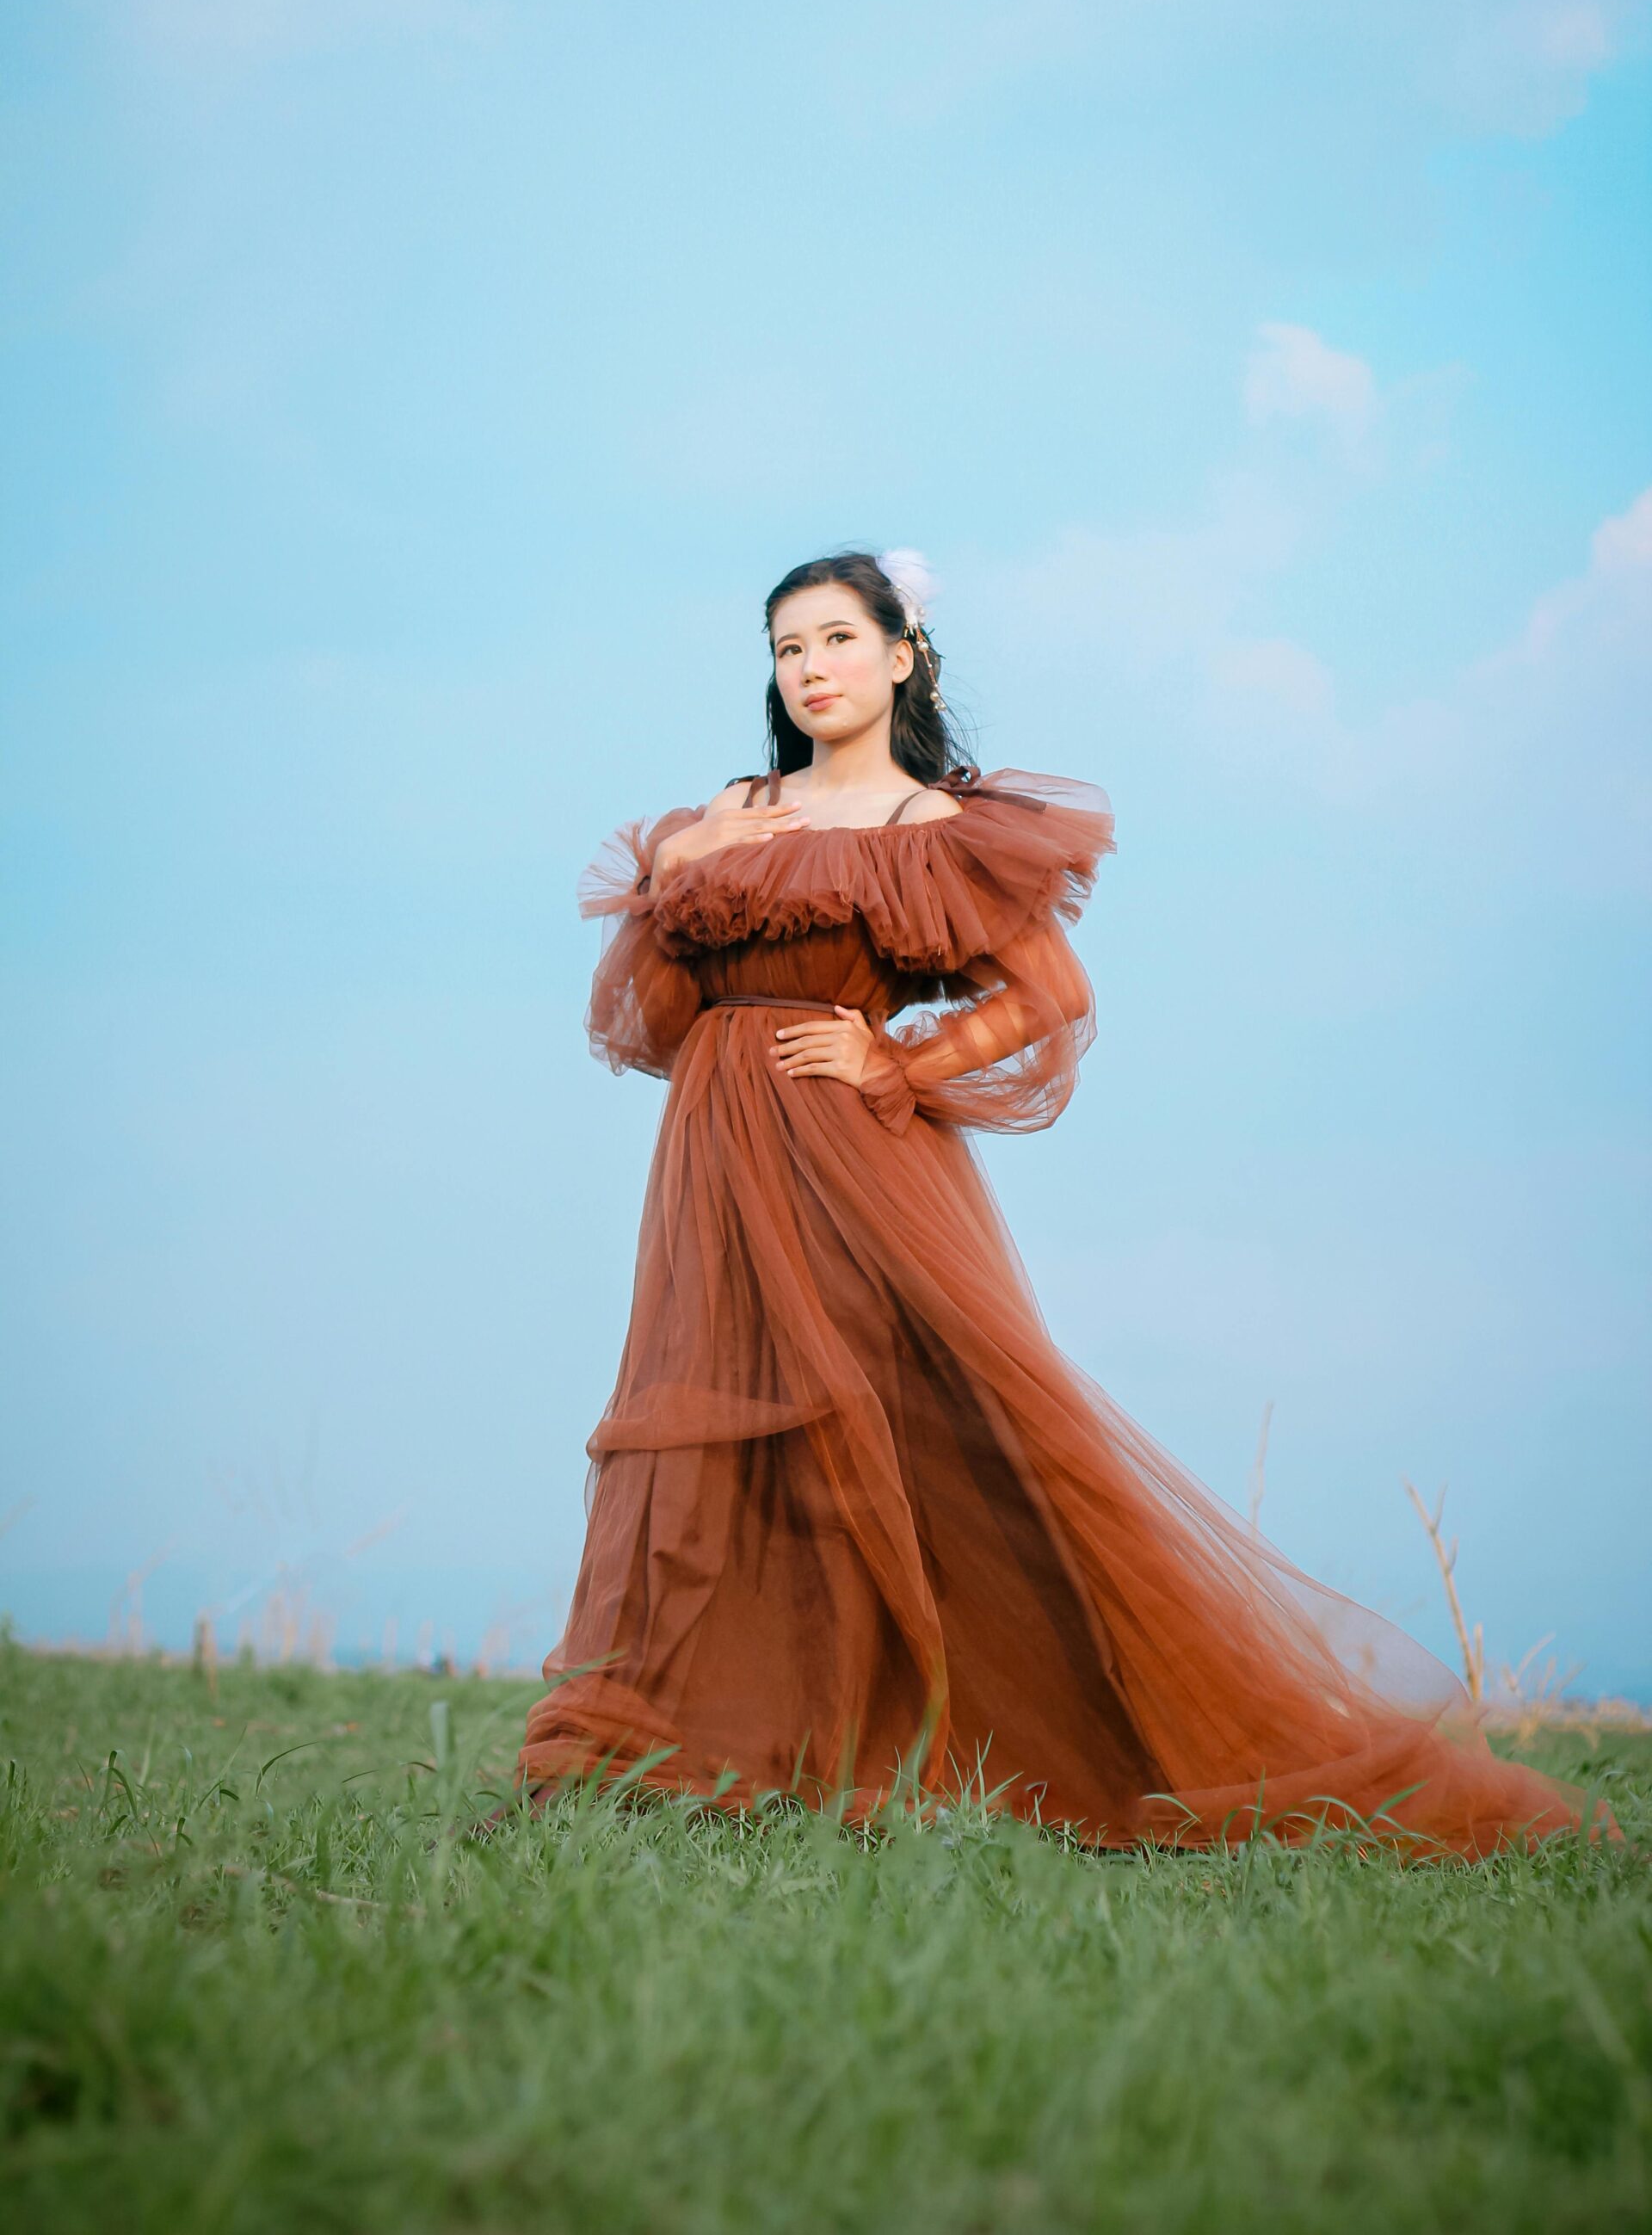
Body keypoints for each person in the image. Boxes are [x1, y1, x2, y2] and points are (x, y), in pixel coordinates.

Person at [512, 549, 1596, 1857]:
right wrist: (707, 843)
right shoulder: (737, 805)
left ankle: (1008, 1737)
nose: (811, 669)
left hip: (854, 1154)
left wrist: (897, 1059)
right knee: (734, 1432)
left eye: (838, 641)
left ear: (902, 654)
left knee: (923, 1422)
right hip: (717, 1154)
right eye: (788, 648)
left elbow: (1049, 997)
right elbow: (653, 987)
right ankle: (733, 1743)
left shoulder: (934, 829)